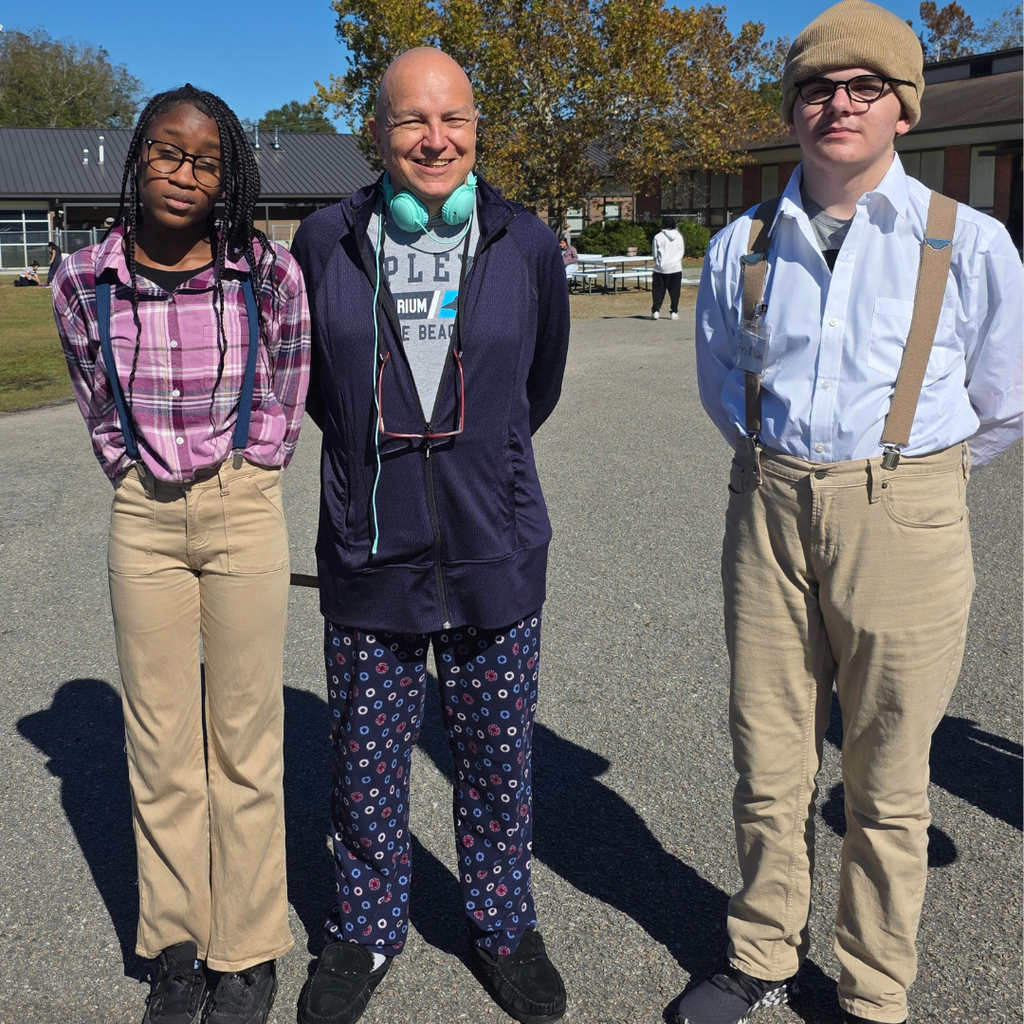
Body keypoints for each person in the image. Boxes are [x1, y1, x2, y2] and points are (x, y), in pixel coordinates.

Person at [683, 3, 1023, 1024]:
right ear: (792, 107)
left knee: (887, 768)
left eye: (862, 87)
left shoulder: (967, 240)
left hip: (904, 504)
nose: (837, 104)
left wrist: (914, 487)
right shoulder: (739, 243)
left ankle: (874, 988)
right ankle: (760, 948)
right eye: (816, 87)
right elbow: (721, 385)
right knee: (768, 751)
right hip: (770, 498)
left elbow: (1003, 399)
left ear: (903, 109)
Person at [290, 46, 570, 1024]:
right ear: (379, 132)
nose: (434, 137)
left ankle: (501, 924)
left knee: (496, 757)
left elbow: (535, 389)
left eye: (452, 119)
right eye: (412, 119)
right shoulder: (326, 239)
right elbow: (321, 390)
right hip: (373, 547)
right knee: (363, 761)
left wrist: (479, 468)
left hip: (492, 545)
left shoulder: (525, 242)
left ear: (477, 129)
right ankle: (365, 929)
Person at [51, 84, 310, 1024]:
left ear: (227, 174)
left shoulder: (262, 271)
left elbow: (290, 370)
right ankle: (176, 946)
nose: (184, 174)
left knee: (244, 738)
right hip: (144, 518)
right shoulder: (84, 278)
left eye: (206, 161)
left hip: (242, 507)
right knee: (160, 742)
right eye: (168, 153)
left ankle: (246, 950)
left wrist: (260, 461)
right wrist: (128, 466)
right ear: (138, 157)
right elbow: (90, 387)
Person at [650, 217, 684, 320]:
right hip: (676, 268)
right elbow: (681, 251)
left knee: (658, 290)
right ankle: (674, 311)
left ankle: (656, 311)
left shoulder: (658, 237)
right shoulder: (679, 236)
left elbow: (655, 254)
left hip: (661, 268)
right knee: (675, 291)